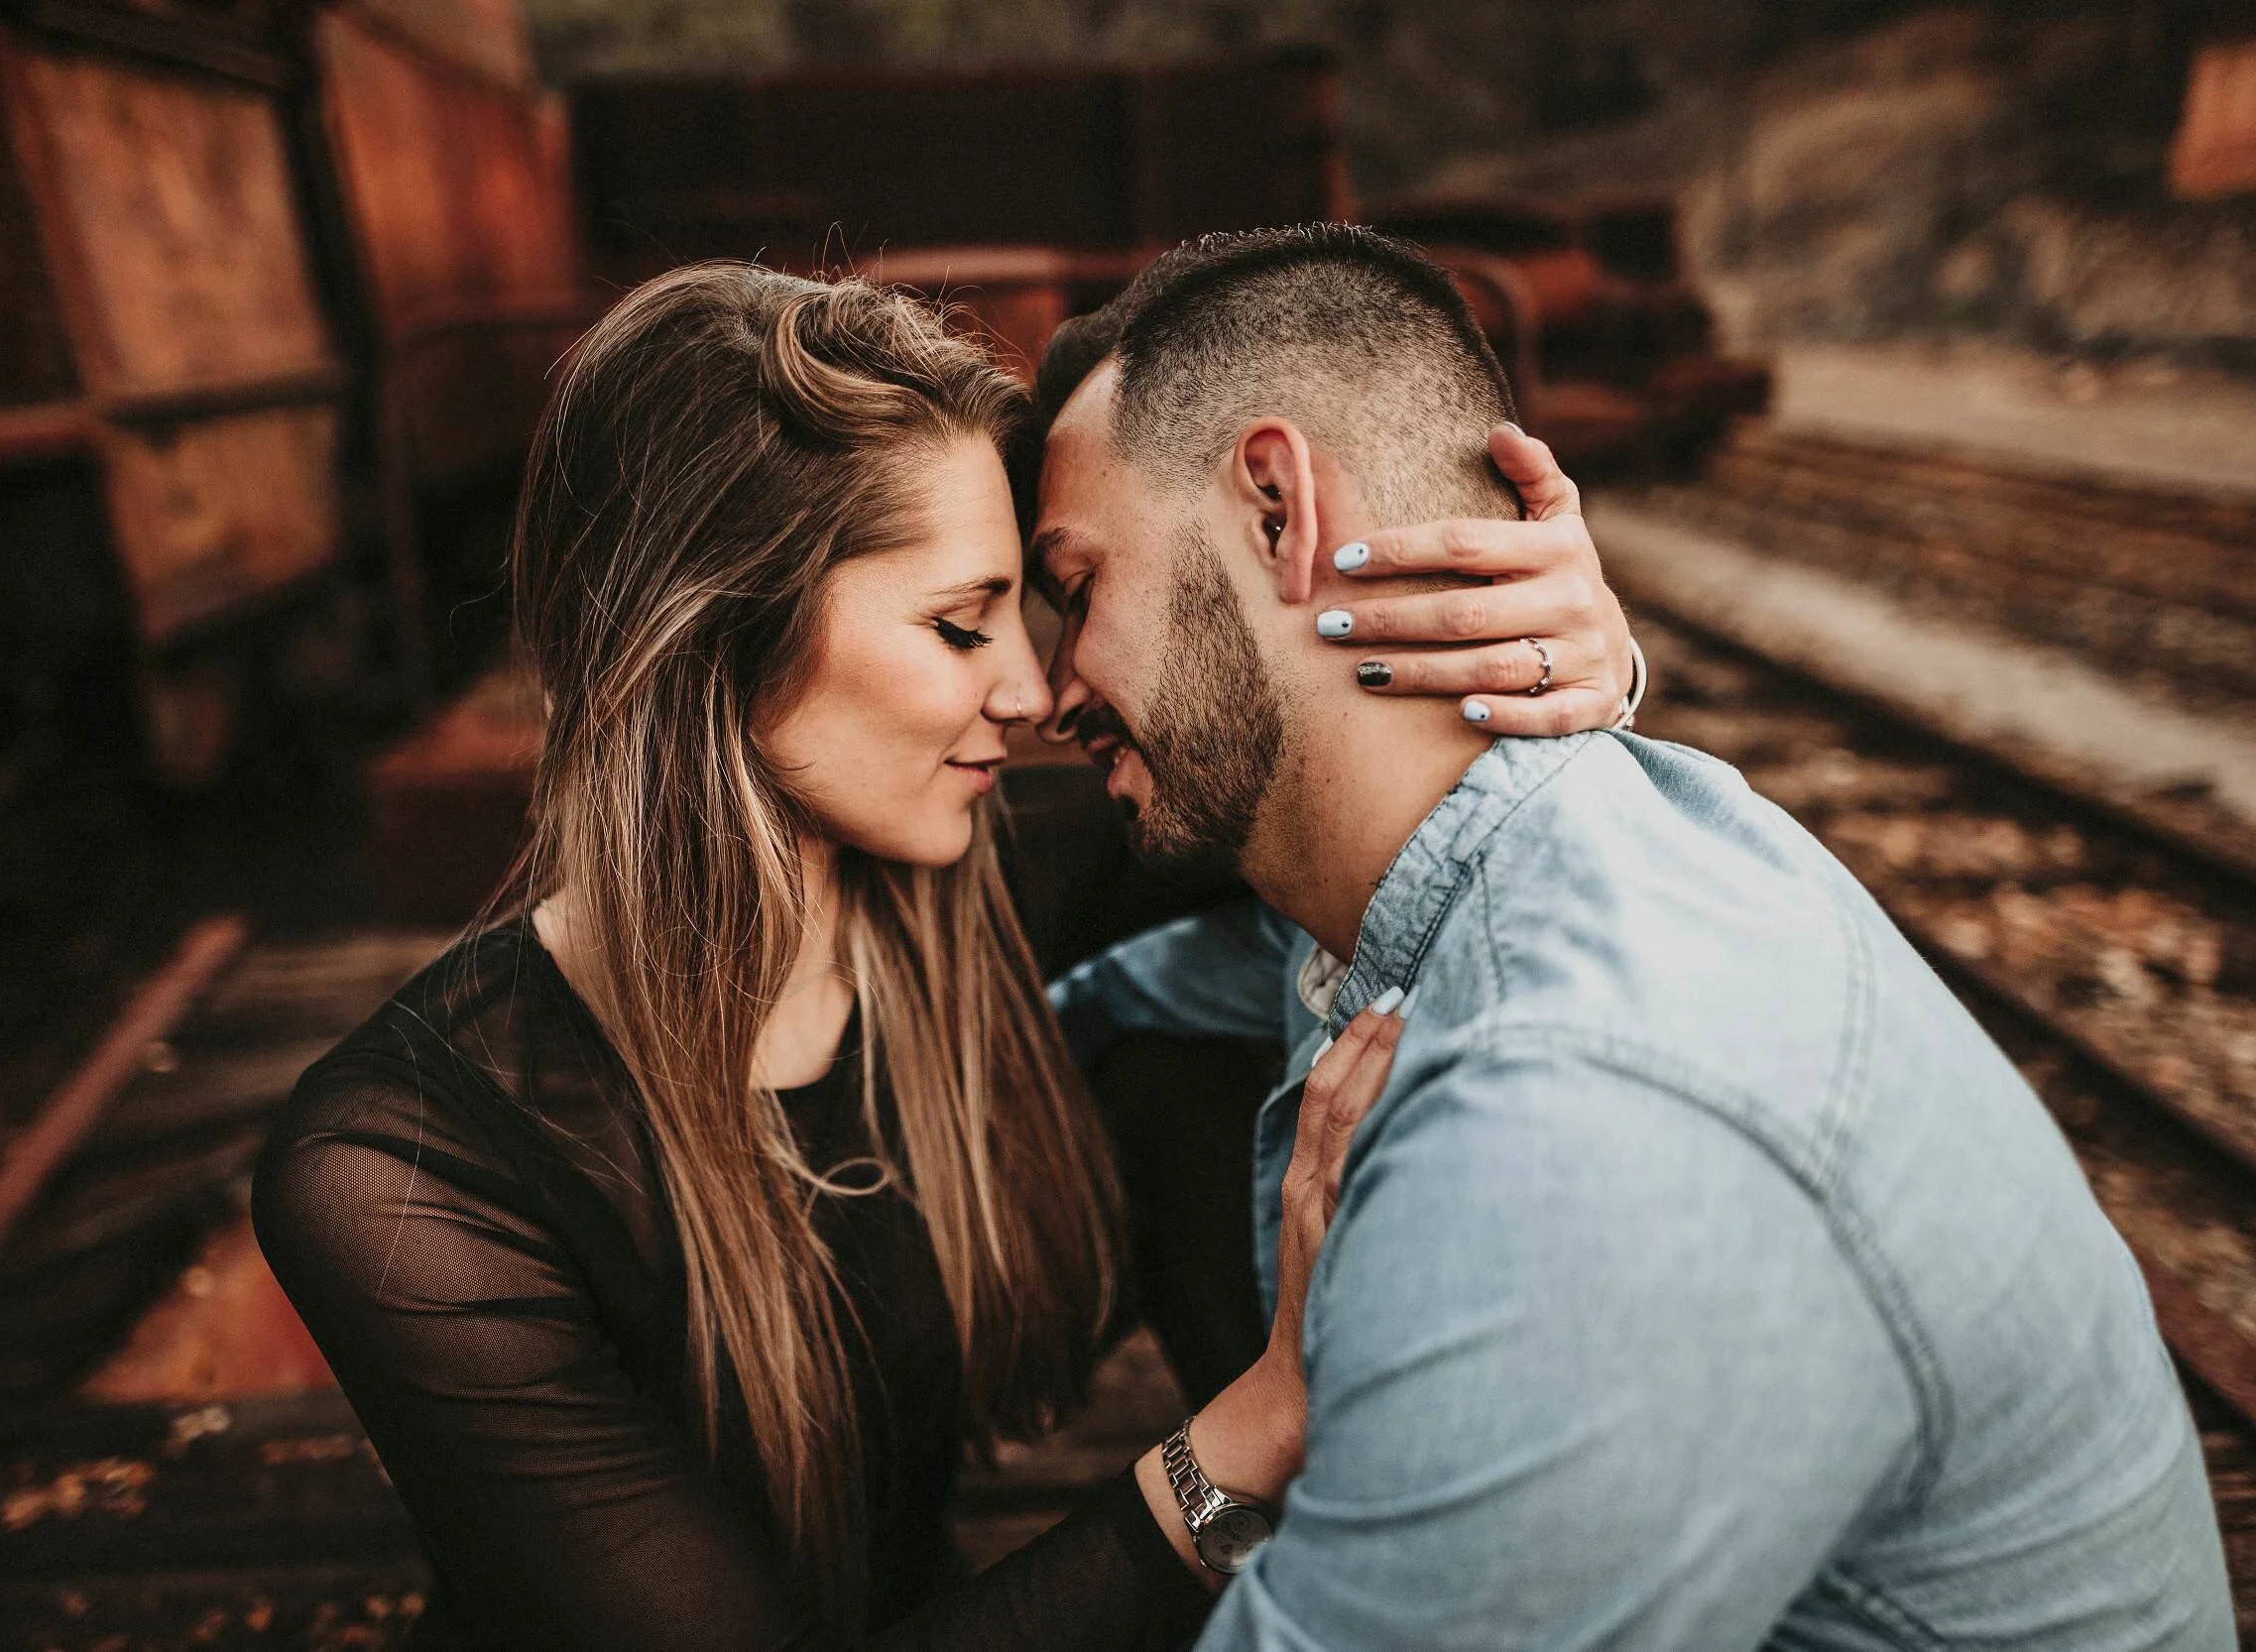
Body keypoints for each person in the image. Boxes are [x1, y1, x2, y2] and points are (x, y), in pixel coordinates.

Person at [251, 262, 1635, 1650]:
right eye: (959, 624)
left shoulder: (968, 879)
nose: (1029, 692)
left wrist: (1569, 665)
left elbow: (1368, 806)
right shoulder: (403, 1169)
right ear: (722, 635)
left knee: (1198, 1049)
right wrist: (1258, 1433)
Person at [1032, 224, 2237, 1650]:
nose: (1051, 690)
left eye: (1077, 586)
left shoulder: (1582, 1136)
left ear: (1281, 509)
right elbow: (1080, 1003)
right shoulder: (1508, 850)